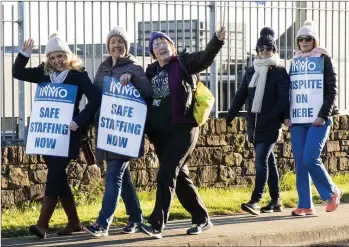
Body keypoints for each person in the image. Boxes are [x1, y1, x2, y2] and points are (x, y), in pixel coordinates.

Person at [140, 27, 226, 239]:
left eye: (164, 43)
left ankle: (156, 224)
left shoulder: (184, 63)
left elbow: (205, 58)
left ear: (172, 47)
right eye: (156, 44)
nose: (161, 47)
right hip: (159, 134)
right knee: (179, 177)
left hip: (184, 128)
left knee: (166, 173)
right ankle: (202, 218)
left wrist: (216, 41)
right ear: (152, 52)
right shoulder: (150, 72)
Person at [12, 33, 101, 238]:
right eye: (52, 57)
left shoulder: (78, 74)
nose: (57, 61)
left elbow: (95, 100)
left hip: (69, 133)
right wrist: (24, 54)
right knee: (58, 176)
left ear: (67, 55)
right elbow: (17, 72)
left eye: (60, 56)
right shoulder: (44, 74)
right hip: (48, 134)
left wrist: (79, 121)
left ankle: (42, 224)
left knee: (54, 174)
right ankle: (75, 223)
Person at [83, 27, 153, 237]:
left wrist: (131, 76)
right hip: (106, 130)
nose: (116, 46)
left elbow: (148, 92)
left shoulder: (134, 67)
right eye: (112, 42)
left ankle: (103, 223)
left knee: (113, 175)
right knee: (123, 177)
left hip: (126, 133)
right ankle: (137, 218)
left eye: (120, 42)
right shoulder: (103, 67)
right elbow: (95, 98)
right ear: (108, 46)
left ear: (126, 45)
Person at [226, 27, 290, 216]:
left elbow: (283, 100)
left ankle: (255, 200)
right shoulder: (251, 71)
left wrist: (274, 117)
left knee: (260, 161)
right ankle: (276, 201)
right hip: (254, 124)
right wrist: (230, 115)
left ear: (274, 50)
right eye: (261, 48)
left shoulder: (279, 72)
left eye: (268, 48)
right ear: (256, 51)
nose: (264, 51)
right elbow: (241, 94)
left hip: (270, 124)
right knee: (269, 162)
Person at [284, 21, 342, 216]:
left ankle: (332, 191)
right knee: (300, 162)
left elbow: (332, 90)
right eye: (300, 39)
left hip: (319, 119)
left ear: (314, 40)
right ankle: (305, 204)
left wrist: (322, 115)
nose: (304, 42)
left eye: (308, 38)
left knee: (310, 158)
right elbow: (290, 90)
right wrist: (286, 116)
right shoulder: (295, 62)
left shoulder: (325, 59)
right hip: (298, 120)